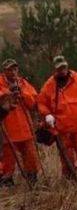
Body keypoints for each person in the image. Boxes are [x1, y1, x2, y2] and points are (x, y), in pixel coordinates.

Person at [37, 54, 77, 180]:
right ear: (55, 69)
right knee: (66, 157)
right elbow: (41, 102)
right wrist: (47, 114)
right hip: (61, 129)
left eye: (64, 67)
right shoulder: (49, 85)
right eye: (59, 68)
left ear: (67, 66)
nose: (62, 70)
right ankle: (70, 183)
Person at [0, 58, 40, 186]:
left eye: (15, 69)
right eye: (9, 70)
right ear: (4, 71)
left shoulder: (23, 83)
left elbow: (33, 102)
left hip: (25, 128)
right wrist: (9, 92)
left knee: (31, 157)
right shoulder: (0, 83)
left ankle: (32, 181)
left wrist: (22, 93)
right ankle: (7, 182)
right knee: (8, 159)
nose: (13, 72)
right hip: (7, 129)